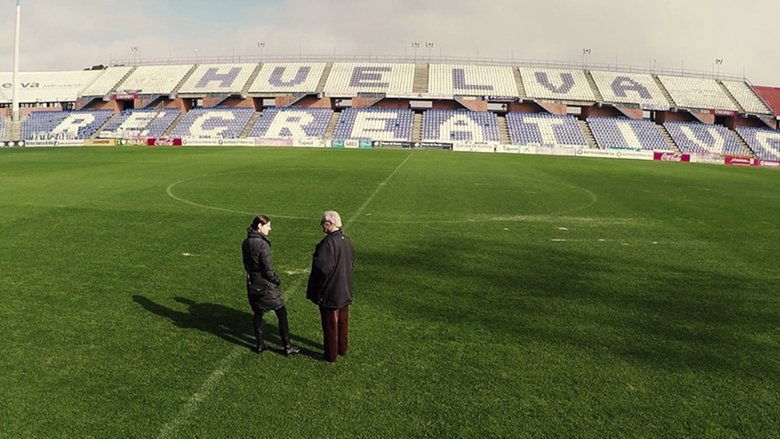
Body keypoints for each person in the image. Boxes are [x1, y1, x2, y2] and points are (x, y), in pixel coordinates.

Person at [241, 215, 300, 356]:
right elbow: (268, 269)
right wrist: (276, 280)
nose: (270, 228)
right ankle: (287, 346)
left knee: (258, 312)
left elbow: (246, 264)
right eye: (267, 225)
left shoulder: (246, 242)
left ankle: (260, 344)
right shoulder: (262, 244)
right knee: (281, 313)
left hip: (252, 283)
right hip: (266, 285)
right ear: (259, 226)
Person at [306, 210, 355, 363]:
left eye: (323, 223)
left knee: (330, 324)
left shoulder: (328, 243)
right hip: (344, 288)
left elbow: (322, 268)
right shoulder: (346, 240)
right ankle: (342, 348)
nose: (322, 226)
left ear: (330, 224)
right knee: (342, 322)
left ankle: (330, 354)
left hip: (331, 291)